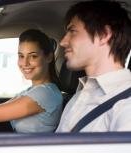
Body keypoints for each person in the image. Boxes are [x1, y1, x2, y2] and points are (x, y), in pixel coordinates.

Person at [56, 0, 131, 132]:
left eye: (72, 31)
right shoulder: (79, 95)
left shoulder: (126, 105)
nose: (63, 42)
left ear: (103, 35)